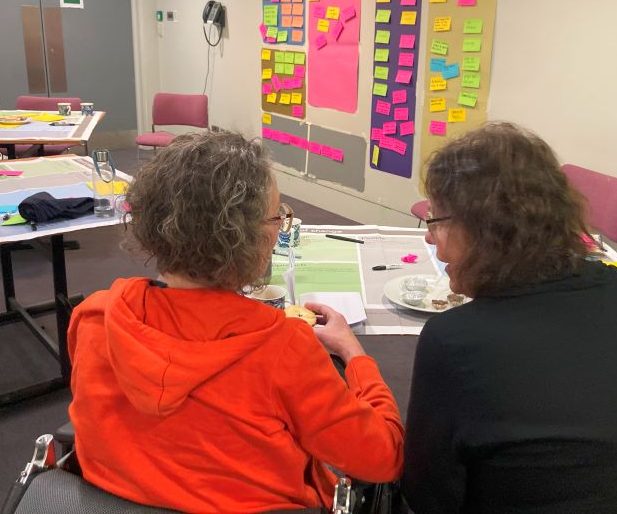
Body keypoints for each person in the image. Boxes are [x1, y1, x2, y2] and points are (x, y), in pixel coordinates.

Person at [68, 131, 403, 513]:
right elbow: (382, 457)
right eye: (276, 216)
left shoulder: (97, 315)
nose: (279, 227)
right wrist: (355, 355)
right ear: (248, 238)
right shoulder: (284, 349)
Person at [401, 122, 617, 513]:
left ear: (483, 231)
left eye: (437, 221)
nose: (429, 236)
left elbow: (429, 494)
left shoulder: (454, 338)